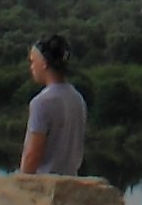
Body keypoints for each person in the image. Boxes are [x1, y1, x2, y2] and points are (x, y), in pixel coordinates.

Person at [17, 33, 89, 180]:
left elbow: (32, 156)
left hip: (46, 184)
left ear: (44, 63)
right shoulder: (77, 98)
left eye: (33, 61)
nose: (31, 67)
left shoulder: (41, 102)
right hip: (71, 182)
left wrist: (21, 183)